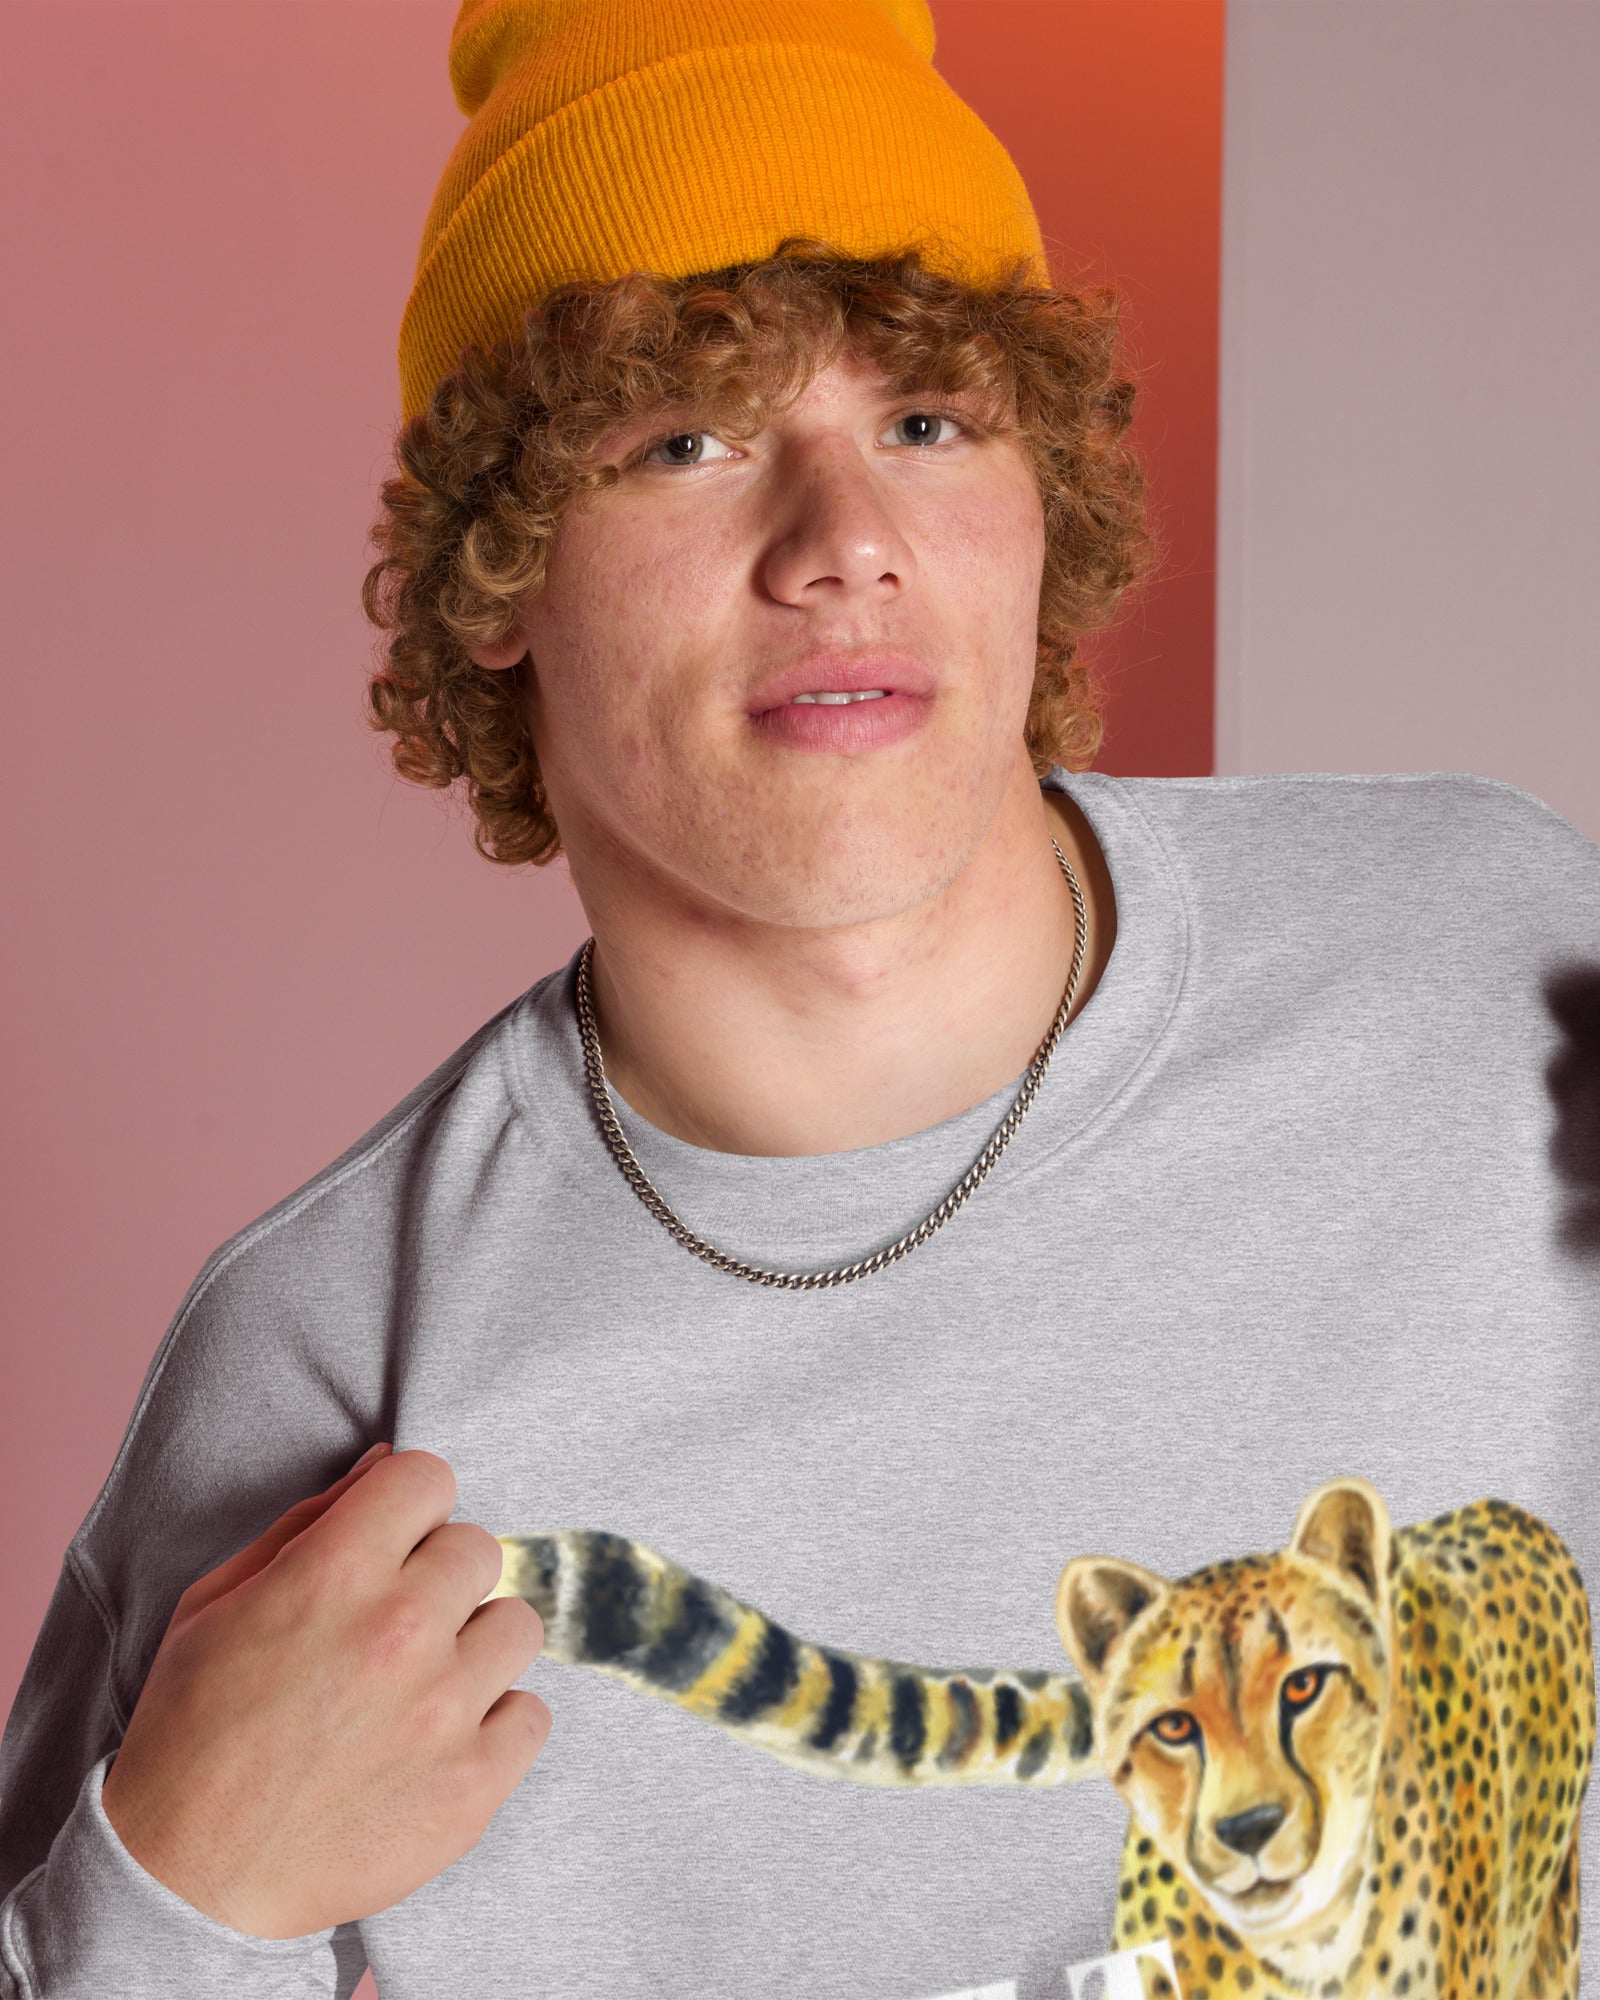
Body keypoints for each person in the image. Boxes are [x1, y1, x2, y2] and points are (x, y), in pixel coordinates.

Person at [2, 2, 1598, 1996]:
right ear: (499, 579)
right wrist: (172, 1898)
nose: (844, 546)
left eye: (925, 422)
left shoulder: (1489, 958)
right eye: (687, 438)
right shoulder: (332, 1375)